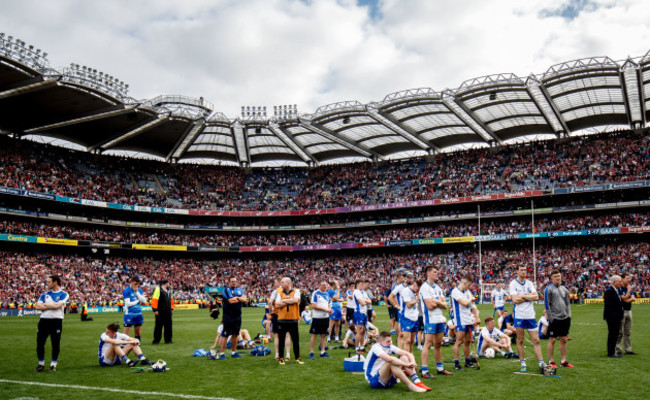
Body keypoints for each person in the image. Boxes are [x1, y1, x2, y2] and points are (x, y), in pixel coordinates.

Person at [364, 331, 430, 392]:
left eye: (391, 340)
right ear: (381, 341)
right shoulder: (376, 348)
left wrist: (413, 362)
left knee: (404, 357)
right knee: (390, 362)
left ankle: (417, 381)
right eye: (388, 341)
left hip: (386, 377)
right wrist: (406, 365)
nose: (390, 342)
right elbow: (390, 359)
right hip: (374, 380)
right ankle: (411, 386)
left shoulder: (389, 346)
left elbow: (408, 353)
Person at [509, 265, 545, 374]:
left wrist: (523, 296)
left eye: (525, 270)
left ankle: (541, 363)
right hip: (519, 315)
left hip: (530, 315)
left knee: (536, 340)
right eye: (522, 270)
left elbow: (537, 297)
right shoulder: (513, 284)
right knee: (520, 340)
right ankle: (523, 363)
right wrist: (529, 296)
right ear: (517, 271)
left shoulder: (529, 283)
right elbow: (515, 300)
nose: (524, 271)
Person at [419, 265, 452, 378]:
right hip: (430, 319)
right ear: (428, 273)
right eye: (434, 272)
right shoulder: (424, 287)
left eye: (437, 272)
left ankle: (440, 368)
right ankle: (424, 371)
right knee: (428, 344)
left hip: (439, 319)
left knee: (438, 344)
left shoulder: (438, 288)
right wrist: (439, 303)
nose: (436, 274)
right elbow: (429, 306)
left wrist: (436, 302)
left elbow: (445, 305)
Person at [34, 275, 69, 372]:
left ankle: (53, 364)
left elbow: (57, 306)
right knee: (40, 343)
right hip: (43, 321)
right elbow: (37, 306)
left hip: (56, 321)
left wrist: (45, 305)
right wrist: (51, 305)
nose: (47, 283)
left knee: (55, 344)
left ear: (55, 282)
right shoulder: (44, 294)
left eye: (49, 282)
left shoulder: (64, 294)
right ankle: (41, 364)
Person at [544, 270, 573, 368]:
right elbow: (546, 304)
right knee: (552, 340)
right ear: (551, 278)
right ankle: (551, 361)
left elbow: (568, 303)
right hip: (555, 318)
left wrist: (569, 315)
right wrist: (551, 318)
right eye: (555, 276)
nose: (558, 278)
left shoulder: (564, 289)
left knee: (563, 339)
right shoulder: (548, 289)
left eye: (559, 276)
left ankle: (563, 361)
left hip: (565, 318)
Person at [450, 275, 478, 370]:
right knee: (459, 341)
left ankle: (467, 361)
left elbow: (473, 303)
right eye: (469, 285)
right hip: (460, 320)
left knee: (467, 342)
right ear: (464, 283)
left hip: (468, 319)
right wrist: (471, 299)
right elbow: (465, 303)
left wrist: (475, 317)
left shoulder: (467, 292)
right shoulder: (455, 291)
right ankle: (456, 363)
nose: (469, 287)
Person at [218, 276, 248, 360]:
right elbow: (231, 301)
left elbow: (245, 300)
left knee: (235, 334)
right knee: (225, 335)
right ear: (229, 282)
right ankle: (222, 354)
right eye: (232, 281)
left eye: (235, 281)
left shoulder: (240, 290)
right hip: (228, 316)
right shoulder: (226, 290)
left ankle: (234, 353)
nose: (234, 283)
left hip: (237, 316)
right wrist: (240, 299)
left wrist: (237, 298)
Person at [275, 277, 303, 365]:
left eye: (283, 282)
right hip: (282, 320)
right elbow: (277, 304)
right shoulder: (279, 292)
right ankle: (281, 358)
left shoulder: (296, 291)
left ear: (288, 283)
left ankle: (297, 358)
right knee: (281, 340)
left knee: (295, 340)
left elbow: (296, 300)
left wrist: (284, 301)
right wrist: (289, 301)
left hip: (293, 319)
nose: (281, 284)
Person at [388, 270, 413, 349]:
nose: (411, 279)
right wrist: (396, 306)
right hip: (402, 313)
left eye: (412, 278)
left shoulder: (412, 287)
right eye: (409, 278)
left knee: (410, 336)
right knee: (401, 334)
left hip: (411, 313)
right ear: (405, 278)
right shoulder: (399, 287)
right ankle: (400, 352)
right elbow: (390, 297)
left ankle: (408, 353)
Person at [309, 280, 333, 359]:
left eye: (326, 285)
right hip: (317, 317)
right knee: (314, 334)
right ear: (319, 286)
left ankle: (322, 352)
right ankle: (311, 352)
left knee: (323, 335)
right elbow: (313, 305)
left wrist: (329, 310)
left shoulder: (327, 294)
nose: (325, 287)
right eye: (323, 285)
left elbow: (329, 304)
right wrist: (325, 309)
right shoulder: (316, 293)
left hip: (325, 317)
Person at [603, 275, 624, 358]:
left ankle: (612, 352)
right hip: (612, 317)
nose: (620, 283)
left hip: (616, 316)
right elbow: (609, 306)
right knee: (612, 334)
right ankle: (611, 352)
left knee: (615, 334)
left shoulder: (615, 290)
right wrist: (615, 316)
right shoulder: (609, 291)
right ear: (614, 282)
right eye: (619, 281)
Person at [616, 273, 636, 356]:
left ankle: (628, 349)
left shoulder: (629, 287)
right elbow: (623, 298)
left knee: (628, 331)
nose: (629, 280)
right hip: (622, 311)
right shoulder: (620, 288)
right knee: (620, 332)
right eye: (627, 278)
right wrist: (628, 293)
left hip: (629, 310)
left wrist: (627, 299)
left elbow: (633, 298)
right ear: (622, 279)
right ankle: (618, 350)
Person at [398, 279, 421, 353]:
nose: (418, 291)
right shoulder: (406, 291)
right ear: (414, 285)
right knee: (407, 340)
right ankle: (406, 360)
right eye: (418, 289)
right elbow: (408, 304)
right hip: (406, 318)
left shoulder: (415, 292)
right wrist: (417, 299)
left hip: (415, 318)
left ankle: (410, 358)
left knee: (411, 341)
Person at [123, 276, 147, 343]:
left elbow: (144, 301)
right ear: (131, 282)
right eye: (135, 284)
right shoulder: (126, 290)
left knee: (138, 334)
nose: (136, 285)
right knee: (126, 335)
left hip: (138, 313)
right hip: (129, 313)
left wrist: (137, 293)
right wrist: (137, 301)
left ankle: (137, 346)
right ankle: (123, 347)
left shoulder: (139, 290)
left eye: (137, 284)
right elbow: (128, 304)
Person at [352, 279, 372, 353]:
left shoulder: (363, 292)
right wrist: (365, 300)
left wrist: (364, 300)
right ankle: (357, 348)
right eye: (361, 284)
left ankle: (362, 347)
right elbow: (362, 303)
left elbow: (370, 301)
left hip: (364, 313)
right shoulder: (356, 292)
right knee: (359, 330)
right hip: (358, 313)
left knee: (363, 330)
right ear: (358, 285)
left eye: (363, 284)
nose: (363, 285)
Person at [151, 279, 174, 345]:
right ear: (166, 283)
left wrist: (172, 309)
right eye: (169, 283)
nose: (169, 285)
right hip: (160, 311)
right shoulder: (158, 289)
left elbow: (171, 301)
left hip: (168, 311)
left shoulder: (168, 291)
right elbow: (154, 300)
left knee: (168, 326)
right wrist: (155, 309)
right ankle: (156, 340)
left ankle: (168, 340)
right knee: (158, 326)